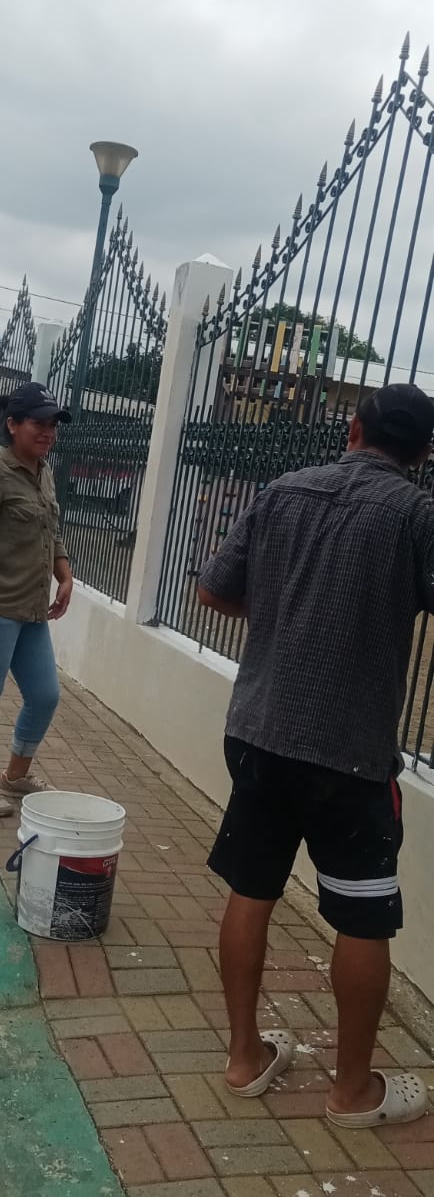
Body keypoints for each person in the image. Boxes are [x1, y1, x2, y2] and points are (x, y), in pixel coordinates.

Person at [197, 382, 434, 1129]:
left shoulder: (283, 491)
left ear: (354, 429)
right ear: (423, 453)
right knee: (363, 920)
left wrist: (283, 616)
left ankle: (243, 1059)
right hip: (349, 755)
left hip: (257, 733)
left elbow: (212, 590)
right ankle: (352, 1093)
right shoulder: (416, 514)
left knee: (251, 890)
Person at [0, 381, 74, 817]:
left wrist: (65, 575)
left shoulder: (44, 472)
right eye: (38, 423)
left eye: (53, 425)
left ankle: (15, 775)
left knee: (45, 695)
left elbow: (51, 532)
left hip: (31, 611)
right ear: (12, 424)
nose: (48, 432)